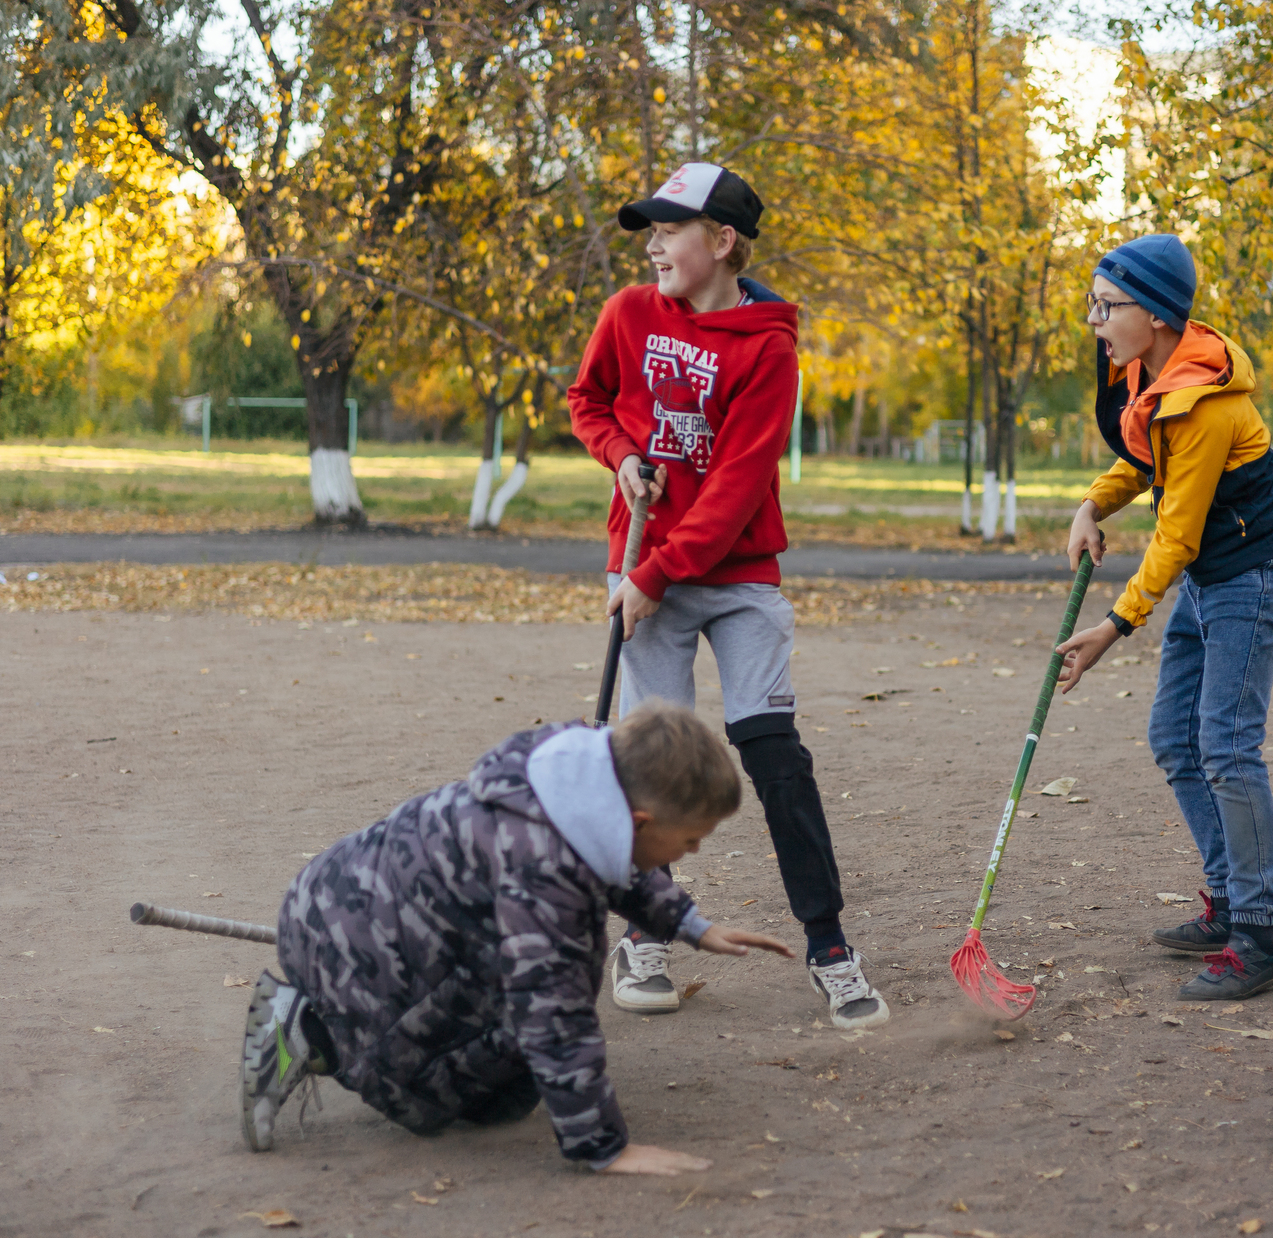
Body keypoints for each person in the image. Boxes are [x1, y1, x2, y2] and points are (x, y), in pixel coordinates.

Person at [566, 161, 890, 1030]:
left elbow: (738, 489)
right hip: (642, 566)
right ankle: (646, 931)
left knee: (770, 745)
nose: (655, 242)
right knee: (650, 762)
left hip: (729, 572)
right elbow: (586, 399)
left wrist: (653, 575)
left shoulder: (769, 347)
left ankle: (828, 943)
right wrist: (620, 455)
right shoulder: (629, 313)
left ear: (724, 240)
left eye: (673, 227)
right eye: (651, 228)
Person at [239, 702, 793, 1175]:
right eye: (691, 840)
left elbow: (612, 859)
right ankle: (310, 1032)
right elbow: (554, 1010)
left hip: (331, 902)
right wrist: (605, 1148)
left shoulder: (571, 777)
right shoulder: (545, 877)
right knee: (430, 1099)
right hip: (351, 952)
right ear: (642, 821)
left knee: (505, 1099)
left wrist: (693, 926)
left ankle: (346, 1026)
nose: (692, 853)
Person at [1053, 233, 1273, 1001]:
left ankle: (1258, 934)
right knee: (1174, 736)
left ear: (1156, 315)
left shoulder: (1204, 405)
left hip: (1251, 576)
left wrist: (1112, 626)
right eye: (1092, 305)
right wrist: (1091, 503)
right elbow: (1140, 460)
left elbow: (1177, 534)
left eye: (1107, 306)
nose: (1096, 321)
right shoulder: (1154, 375)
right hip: (1211, 576)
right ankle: (1229, 896)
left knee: (1227, 747)